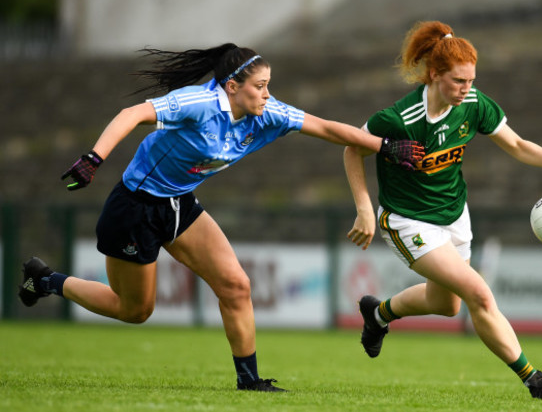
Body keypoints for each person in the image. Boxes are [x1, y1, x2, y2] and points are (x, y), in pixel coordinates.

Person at [18, 43, 424, 392]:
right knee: (135, 311)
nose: (269, 94)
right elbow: (131, 114)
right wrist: (94, 159)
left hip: (180, 204)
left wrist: (385, 146)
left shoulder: (268, 112)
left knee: (235, 285)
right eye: (261, 86)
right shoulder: (198, 103)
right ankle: (47, 280)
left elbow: (327, 127)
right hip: (135, 207)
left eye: (269, 85)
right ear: (232, 86)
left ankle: (249, 381)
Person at [344, 21, 542, 400]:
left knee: (446, 304)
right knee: (479, 293)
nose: (467, 89)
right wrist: (362, 208)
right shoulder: (400, 118)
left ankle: (378, 315)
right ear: (435, 75)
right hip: (407, 220)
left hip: (454, 214)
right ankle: (533, 379)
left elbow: (517, 144)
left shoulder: (473, 104)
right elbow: (351, 148)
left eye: (471, 80)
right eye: (458, 81)